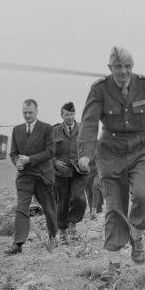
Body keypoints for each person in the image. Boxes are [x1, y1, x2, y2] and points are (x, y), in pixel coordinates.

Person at [77, 46, 145, 267]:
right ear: (110, 68)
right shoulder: (100, 89)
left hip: (141, 149)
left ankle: (137, 234)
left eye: (127, 66)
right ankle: (113, 262)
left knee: (144, 195)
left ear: (133, 66)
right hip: (111, 151)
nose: (123, 71)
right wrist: (84, 155)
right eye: (118, 67)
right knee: (114, 206)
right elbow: (89, 122)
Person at [5, 99, 58, 255]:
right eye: (24, 112)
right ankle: (18, 243)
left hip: (43, 175)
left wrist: (29, 159)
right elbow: (13, 153)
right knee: (21, 208)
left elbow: (50, 152)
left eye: (30, 112)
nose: (27, 115)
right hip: (25, 176)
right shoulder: (17, 130)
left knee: (49, 209)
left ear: (37, 111)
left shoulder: (47, 129)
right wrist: (17, 163)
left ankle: (54, 237)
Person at [53, 102, 89, 244]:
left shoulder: (83, 129)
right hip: (61, 173)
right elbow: (48, 151)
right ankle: (63, 232)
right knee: (62, 203)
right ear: (62, 115)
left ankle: (73, 224)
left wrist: (86, 159)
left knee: (79, 199)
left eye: (72, 114)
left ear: (75, 115)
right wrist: (54, 162)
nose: (69, 117)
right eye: (66, 114)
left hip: (79, 171)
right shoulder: (54, 131)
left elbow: (92, 147)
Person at [85, 144, 104, 220]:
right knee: (89, 191)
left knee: (95, 186)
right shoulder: (84, 142)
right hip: (87, 171)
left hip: (98, 170)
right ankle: (95, 209)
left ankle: (94, 209)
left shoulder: (98, 142)